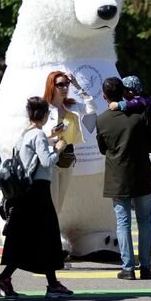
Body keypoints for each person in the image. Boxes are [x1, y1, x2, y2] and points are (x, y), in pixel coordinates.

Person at [0, 96, 73, 299]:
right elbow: (46, 162)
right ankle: (47, 284)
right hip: (38, 192)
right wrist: (58, 149)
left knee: (32, 238)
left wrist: (49, 137)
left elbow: (33, 151)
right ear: (45, 115)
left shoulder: (26, 133)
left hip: (24, 193)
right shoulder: (37, 134)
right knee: (46, 235)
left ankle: (13, 278)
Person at [96, 77, 151, 280]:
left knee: (123, 224)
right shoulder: (140, 114)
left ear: (105, 96)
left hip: (117, 176)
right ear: (123, 92)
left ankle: (128, 268)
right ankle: (146, 267)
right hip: (141, 172)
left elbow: (103, 149)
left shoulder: (103, 119)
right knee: (145, 222)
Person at [42, 71, 96, 212]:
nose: (65, 88)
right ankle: (49, 233)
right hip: (50, 158)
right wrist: (51, 134)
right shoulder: (44, 108)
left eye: (67, 84)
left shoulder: (73, 106)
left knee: (59, 203)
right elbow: (32, 135)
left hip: (67, 158)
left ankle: (53, 233)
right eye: (60, 85)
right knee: (51, 202)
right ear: (51, 86)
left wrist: (78, 86)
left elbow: (92, 109)